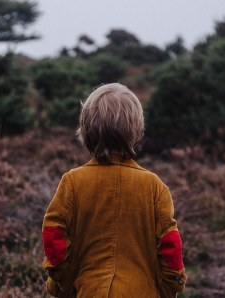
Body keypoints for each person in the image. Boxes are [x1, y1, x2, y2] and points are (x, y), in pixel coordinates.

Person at [42, 83, 187, 297]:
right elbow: (170, 244)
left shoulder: (72, 182)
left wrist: (67, 280)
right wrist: (168, 287)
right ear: (136, 130)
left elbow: (53, 234)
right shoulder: (154, 186)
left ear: (86, 129)